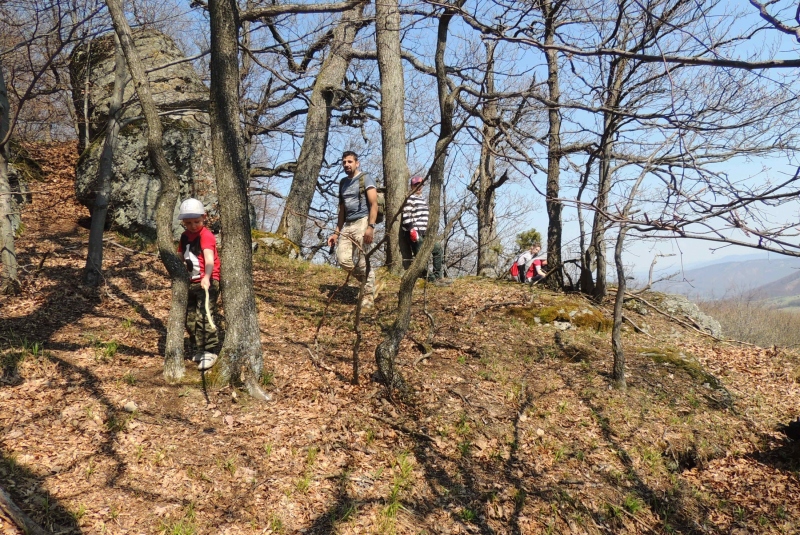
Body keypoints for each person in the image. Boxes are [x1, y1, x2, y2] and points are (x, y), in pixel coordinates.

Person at [327, 151, 379, 308]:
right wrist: (336, 233)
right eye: (344, 162)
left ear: (357, 163)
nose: (346, 165)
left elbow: (374, 204)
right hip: (348, 225)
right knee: (342, 259)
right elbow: (342, 210)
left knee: (363, 261)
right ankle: (369, 281)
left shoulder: (365, 178)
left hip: (363, 222)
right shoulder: (343, 183)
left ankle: (368, 297)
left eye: (349, 161)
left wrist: (370, 227)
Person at [177, 198, 221, 370]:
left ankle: (210, 351)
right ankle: (199, 348)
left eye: (196, 221)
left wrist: (207, 277)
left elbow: (209, 259)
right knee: (190, 318)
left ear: (204, 217)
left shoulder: (206, 236)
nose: (193, 225)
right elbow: (181, 255)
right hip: (190, 282)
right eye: (188, 223)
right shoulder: (184, 236)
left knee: (204, 315)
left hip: (207, 282)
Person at [402, 175, 446, 283]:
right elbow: (406, 214)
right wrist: (411, 229)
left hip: (425, 233)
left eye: (421, 185)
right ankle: (430, 279)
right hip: (415, 233)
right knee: (420, 257)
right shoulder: (410, 198)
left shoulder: (422, 199)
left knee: (437, 248)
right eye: (416, 185)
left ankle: (438, 276)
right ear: (412, 186)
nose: (419, 187)